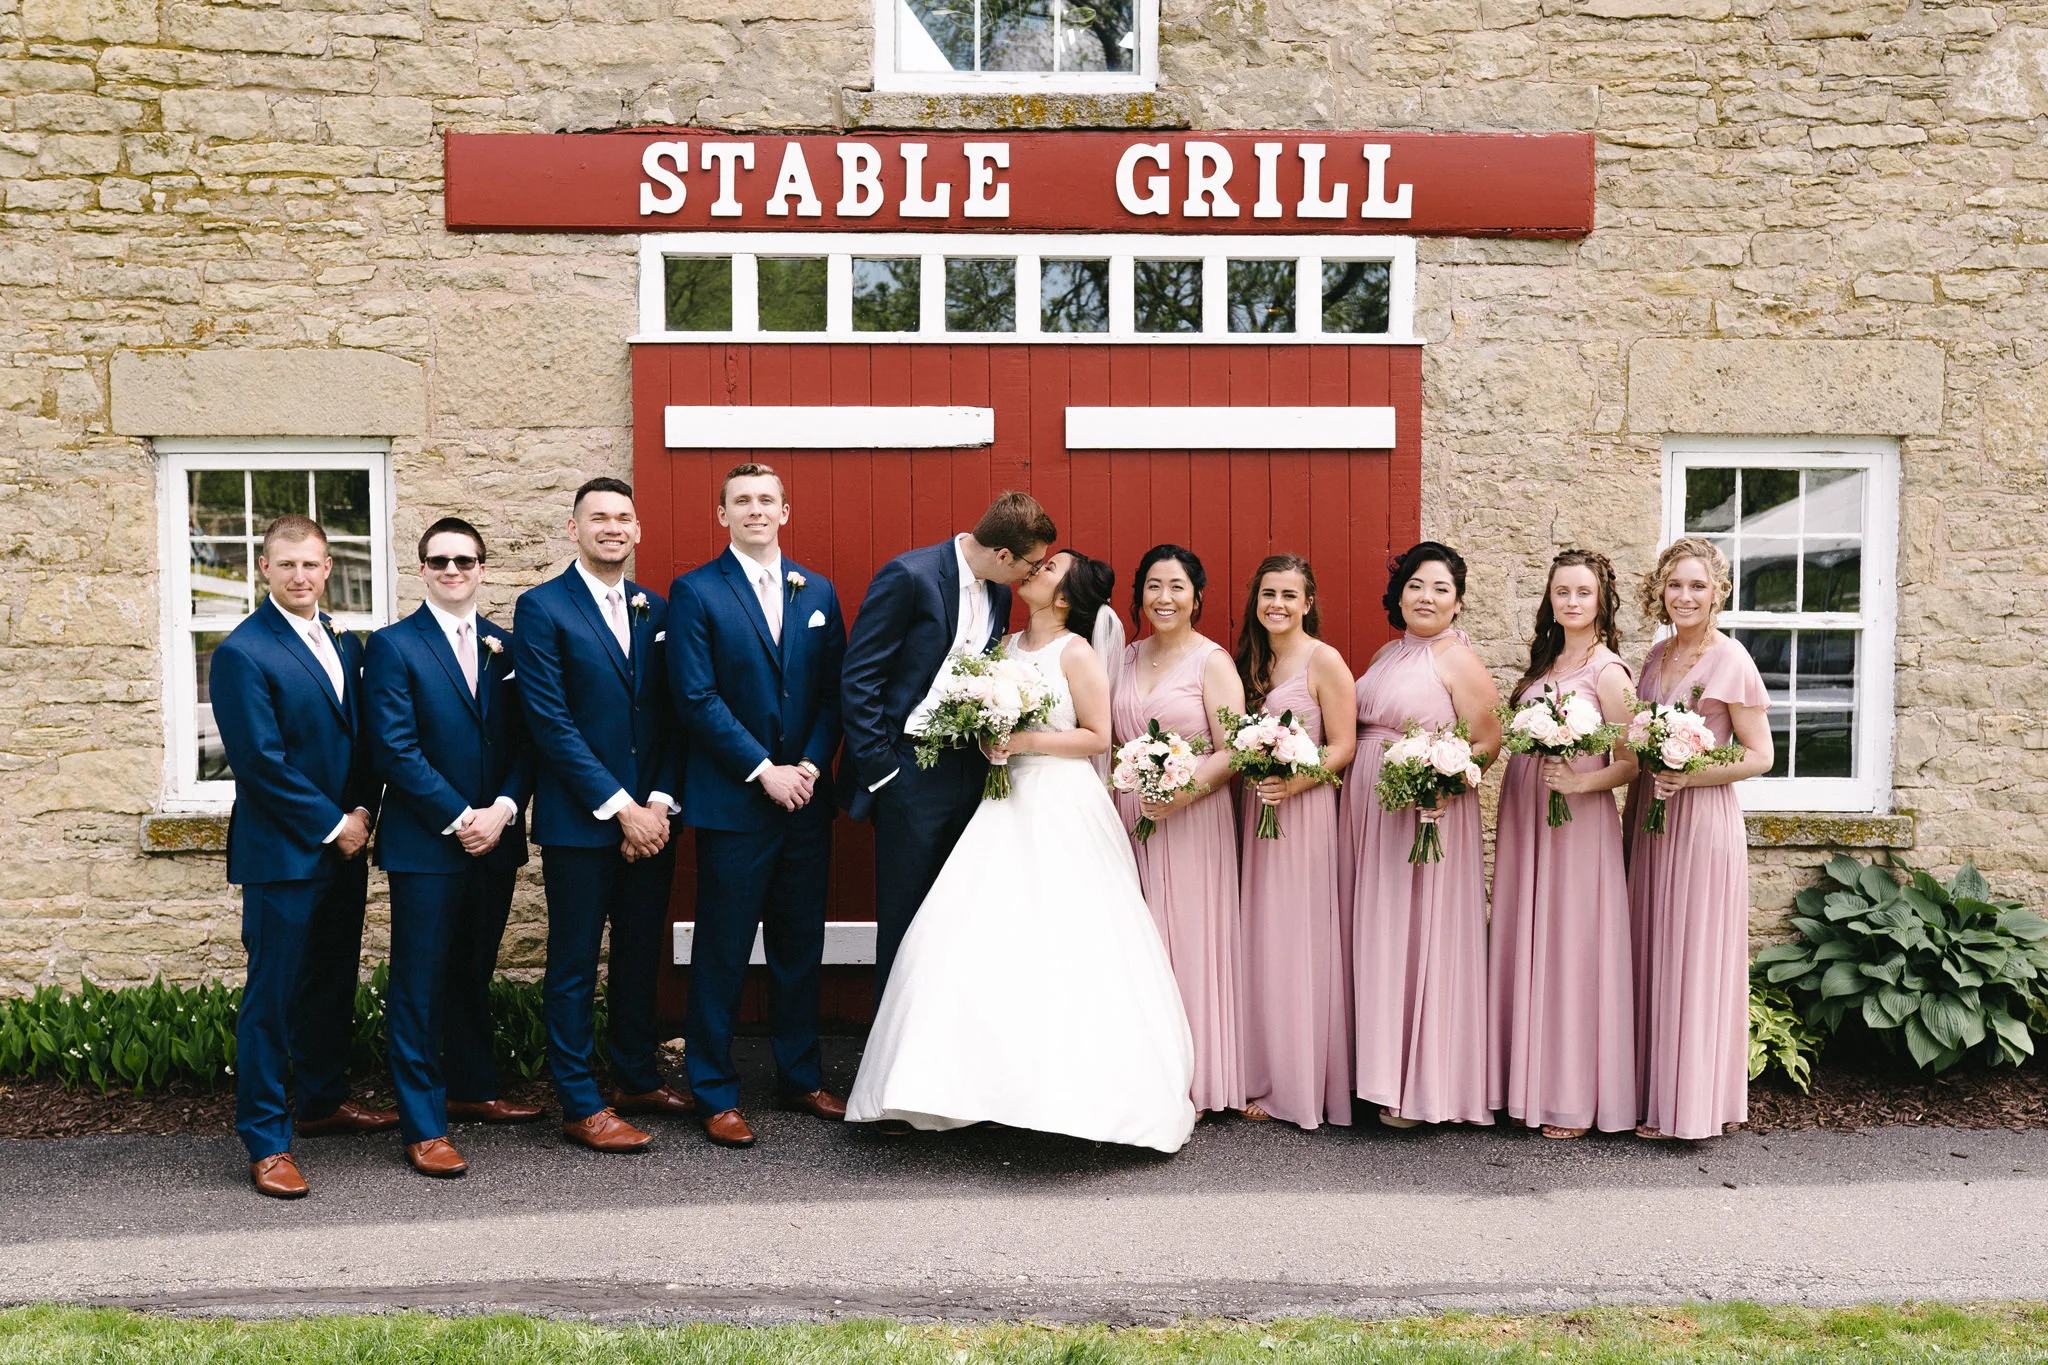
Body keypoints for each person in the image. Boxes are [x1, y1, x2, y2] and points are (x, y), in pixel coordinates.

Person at [845, 552, 1197, 1153]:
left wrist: (1023, 738)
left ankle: (1062, 1090)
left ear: (1066, 596)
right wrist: (986, 734)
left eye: (1051, 567)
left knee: (1060, 941)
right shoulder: (1003, 647)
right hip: (1000, 803)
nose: (1035, 569)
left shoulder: (1076, 652)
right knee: (978, 937)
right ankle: (968, 1087)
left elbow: (1097, 737)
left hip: (1060, 802)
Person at [208, 513, 393, 1199]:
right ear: (263, 568)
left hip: (346, 844)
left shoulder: (343, 642)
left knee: (330, 981)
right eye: (286, 564)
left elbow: (362, 740)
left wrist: (364, 811)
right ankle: (266, 1139)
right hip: (283, 853)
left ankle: (321, 1100)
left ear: (327, 568)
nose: (299, 575)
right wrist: (332, 824)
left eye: (311, 563)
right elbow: (260, 762)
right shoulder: (243, 651)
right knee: (274, 997)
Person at [666, 463, 848, 1149]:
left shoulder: (817, 590)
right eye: (741, 500)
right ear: (722, 515)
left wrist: (808, 767)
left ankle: (800, 1077)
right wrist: (763, 770)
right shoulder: (696, 591)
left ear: (784, 510)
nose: (755, 509)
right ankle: (714, 1090)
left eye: (766, 499)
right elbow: (695, 697)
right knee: (723, 950)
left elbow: (832, 692)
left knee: (800, 946)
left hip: (804, 800)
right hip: (735, 803)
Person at [364, 517, 542, 1180]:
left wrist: (502, 810)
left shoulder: (507, 647)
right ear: (422, 569)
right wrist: (461, 816)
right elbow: (394, 748)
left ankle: (473, 1088)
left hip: (496, 837)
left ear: (481, 568)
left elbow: (529, 740)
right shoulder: (393, 646)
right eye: (439, 560)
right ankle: (424, 1124)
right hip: (427, 844)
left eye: (464, 560)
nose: (452, 570)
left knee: (472, 970)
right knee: (419, 984)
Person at [514, 476, 687, 1154]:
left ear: (637, 530)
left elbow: (673, 715)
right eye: (598, 518)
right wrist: (622, 810)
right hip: (581, 822)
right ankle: (580, 1101)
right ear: (574, 529)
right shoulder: (541, 608)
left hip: (654, 821)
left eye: (623, 517)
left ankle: (636, 1077)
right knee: (575, 962)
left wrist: (659, 804)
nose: (612, 527)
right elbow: (550, 722)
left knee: (639, 956)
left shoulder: (656, 607)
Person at [840, 490, 1056, 1007]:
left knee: (959, 913)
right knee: (905, 915)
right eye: (1031, 564)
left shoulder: (999, 593)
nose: (1032, 574)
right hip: (908, 770)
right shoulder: (909, 577)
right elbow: (859, 678)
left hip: (971, 770)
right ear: (1003, 554)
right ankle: (893, 1043)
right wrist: (885, 771)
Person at [1346, 542, 1502, 1129]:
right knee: (1379, 931)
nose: (1426, 597)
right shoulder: (1388, 652)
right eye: (1416, 585)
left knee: (1417, 930)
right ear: (1400, 593)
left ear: (1458, 602)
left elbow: (1487, 741)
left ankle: (1420, 1086)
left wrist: (1443, 783)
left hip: (1425, 809)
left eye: (1441, 588)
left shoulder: (1458, 660)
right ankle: (1378, 1073)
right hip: (1370, 805)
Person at [1625, 537, 1774, 1141]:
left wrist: (1690, 774)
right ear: (1660, 591)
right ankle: (1648, 1094)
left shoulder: (1731, 659)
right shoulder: (1655, 657)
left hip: (1701, 818)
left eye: (1697, 586)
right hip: (1649, 814)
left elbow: (1760, 755)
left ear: (1718, 593)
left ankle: (1688, 1108)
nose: (1684, 596)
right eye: (1675, 585)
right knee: (1651, 946)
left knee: (1691, 953)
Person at [1486, 549, 1638, 1140]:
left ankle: (1570, 1096)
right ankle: (1519, 1082)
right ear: (1550, 600)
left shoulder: (1609, 673)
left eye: (1582, 592)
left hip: (1576, 820)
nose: (1571, 602)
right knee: (1527, 935)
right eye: (1561, 592)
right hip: (1528, 812)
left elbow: (1630, 763)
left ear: (1601, 601)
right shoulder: (1545, 663)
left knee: (1571, 946)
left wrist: (1579, 783)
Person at [1109, 545, 1246, 1117]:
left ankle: (1195, 1078)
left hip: (1192, 817)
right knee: (1134, 938)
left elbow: (1233, 749)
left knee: (1186, 938)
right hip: (1128, 814)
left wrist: (1180, 794)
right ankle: (1139, 1071)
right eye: (1153, 586)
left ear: (1196, 597)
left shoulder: (1212, 662)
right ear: (1140, 595)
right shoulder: (1123, 657)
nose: (1164, 598)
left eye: (1177, 587)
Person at [1232, 555, 1357, 1130]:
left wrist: (1293, 783)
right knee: (1260, 937)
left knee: (1296, 938)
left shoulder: (1323, 660)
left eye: (1288, 595)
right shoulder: (1250, 661)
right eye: (1268, 594)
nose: (1276, 604)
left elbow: (1343, 746)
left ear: (1308, 603)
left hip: (1302, 811)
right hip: (1257, 810)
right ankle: (1260, 1069)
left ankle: (1298, 1083)